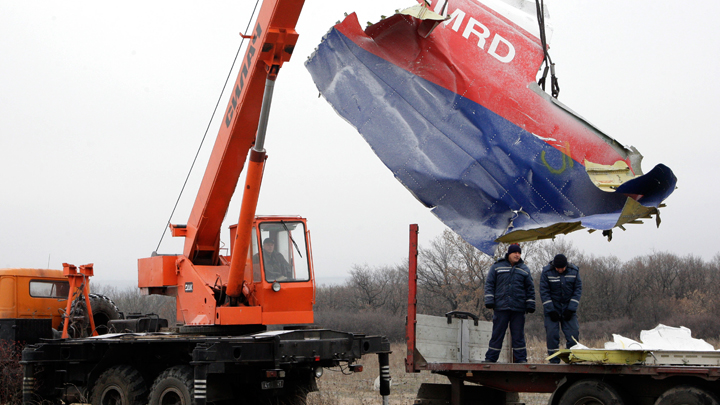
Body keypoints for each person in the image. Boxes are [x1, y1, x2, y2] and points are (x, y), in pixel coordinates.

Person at [483, 244, 535, 363]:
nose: (517, 255)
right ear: (509, 254)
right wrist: (489, 300)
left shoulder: (524, 269)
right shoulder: (497, 266)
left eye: (519, 253)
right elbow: (490, 284)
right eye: (515, 253)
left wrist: (530, 304)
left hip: (518, 308)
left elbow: (530, 288)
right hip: (501, 307)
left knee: (518, 336)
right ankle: (490, 359)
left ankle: (521, 360)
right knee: (497, 334)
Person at [540, 254, 582, 363]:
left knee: (573, 334)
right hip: (552, 310)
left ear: (566, 266)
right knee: (552, 335)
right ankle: (554, 361)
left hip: (568, 309)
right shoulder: (546, 272)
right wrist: (551, 310)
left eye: (562, 268)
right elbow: (544, 292)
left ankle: (572, 360)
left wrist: (571, 308)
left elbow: (577, 290)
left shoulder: (574, 271)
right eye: (557, 268)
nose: (560, 270)